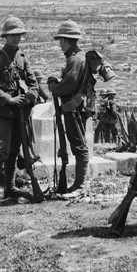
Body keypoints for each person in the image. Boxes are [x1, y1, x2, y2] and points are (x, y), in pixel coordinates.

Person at [0, 17, 38, 206]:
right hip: (4, 112)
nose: (16, 39)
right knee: (1, 151)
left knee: (14, 151)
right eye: (12, 35)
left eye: (19, 35)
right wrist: (9, 99)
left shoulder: (22, 57)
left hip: (19, 113)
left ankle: (10, 187)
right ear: (5, 36)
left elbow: (33, 84)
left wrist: (28, 97)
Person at [47, 20, 90, 199]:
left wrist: (54, 88)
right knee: (78, 144)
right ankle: (78, 184)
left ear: (65, 40)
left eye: (61, 40)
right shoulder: (78, 57)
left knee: (79, 146)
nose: (60, 44)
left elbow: (69, 84)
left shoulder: (74, 59)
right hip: (75, 108)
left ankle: (80, 185)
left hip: (74, 109)